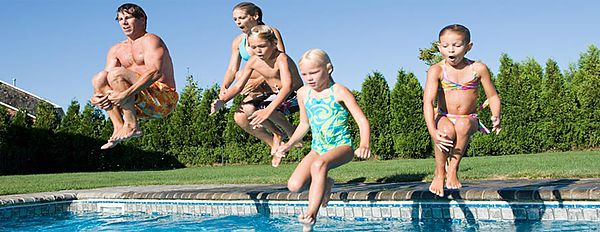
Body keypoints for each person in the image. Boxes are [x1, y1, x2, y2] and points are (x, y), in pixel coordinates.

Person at [275, 49, 371, 231]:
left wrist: (364, 143)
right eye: (304, 74)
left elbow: (362, 120)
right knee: (294, 186)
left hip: (342, 146)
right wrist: (288, 144)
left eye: (314, 72)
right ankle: (326, 183)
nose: (309, 78)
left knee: (319, 165)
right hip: (318, 148)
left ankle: (311, 214)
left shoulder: (339, 91)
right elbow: (304, 124)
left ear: (328, 69)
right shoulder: (304, 94)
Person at [423, 24, 501, 197]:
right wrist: (432, 130)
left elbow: (493, 96)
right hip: (444, 116)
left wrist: (496, 115)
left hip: (469, 117)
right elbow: (428, 102)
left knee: (463, 125)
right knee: (445, 131)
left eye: (457, 46)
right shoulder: (436, 70)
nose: (451, 50)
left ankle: (453, 169)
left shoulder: (478, 69)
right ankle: (439, 173)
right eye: (445, 46)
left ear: (468, 47)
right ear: (439, 47)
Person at [217, 2, 298, 165]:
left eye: (241, 18)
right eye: (235, 19)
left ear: (255, 16)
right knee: (240, 118)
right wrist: (224, 88)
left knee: (243, 79)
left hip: (274, 83)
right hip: (254, 85)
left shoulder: (270, 33)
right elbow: (232, 69)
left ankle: (291, 134)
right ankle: (275, 140)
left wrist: (259, 80)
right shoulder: (238, 42)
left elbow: (279, 61)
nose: (238, 22)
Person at [90, 3, 178, 149]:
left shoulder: (150, 40)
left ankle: (131, 125)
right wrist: (96, 96)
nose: (124, 22)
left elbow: (155, 72)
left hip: (163, 99)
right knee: (99, 78)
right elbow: (104, 80)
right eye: (120, 19)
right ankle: (118, 127)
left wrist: (125, 94)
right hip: (138, 102)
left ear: (142, 19)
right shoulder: (116, 49)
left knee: (116, 74)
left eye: (128, 18)